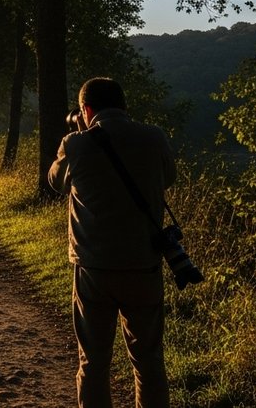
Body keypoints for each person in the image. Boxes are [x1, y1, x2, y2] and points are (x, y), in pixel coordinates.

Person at [48, 77, 176, 408]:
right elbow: (169, 177)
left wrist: (76, 132)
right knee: (149, 363)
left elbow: (54, 182)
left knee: (94, 363)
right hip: (143, 265)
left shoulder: (76, 144)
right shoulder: (154, 137)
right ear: (123, 106)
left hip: (93, 269)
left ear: (86, 109)